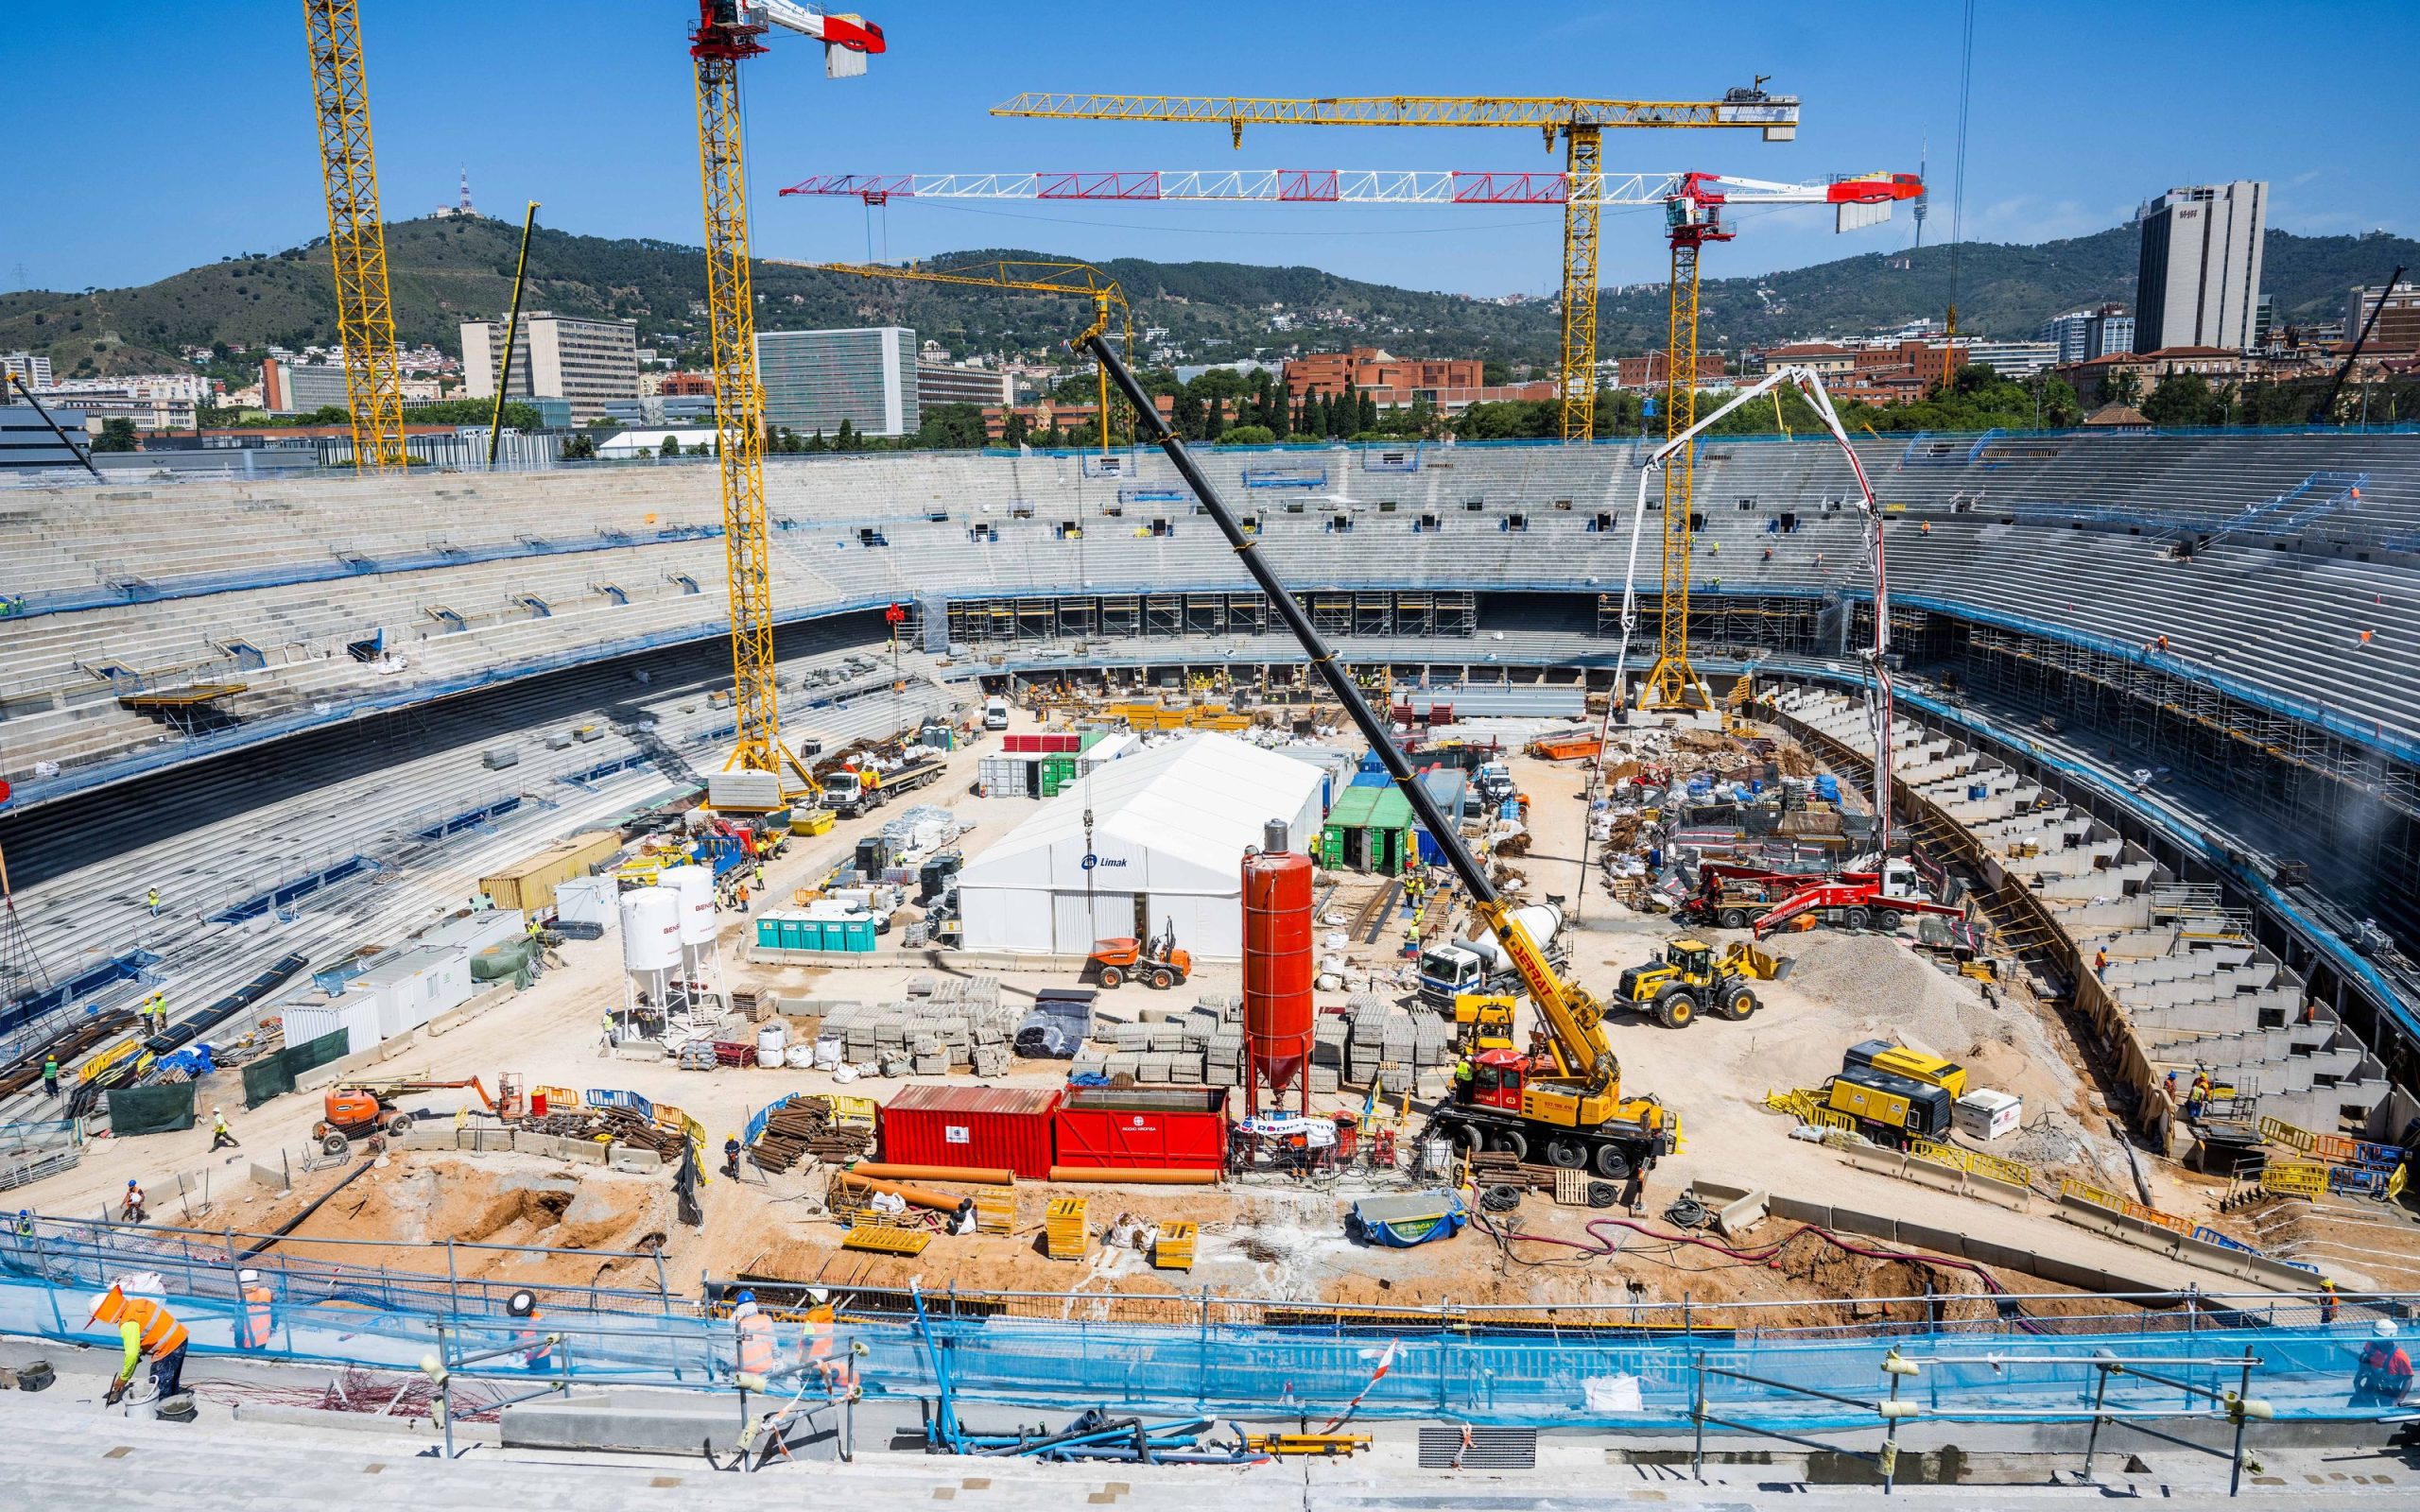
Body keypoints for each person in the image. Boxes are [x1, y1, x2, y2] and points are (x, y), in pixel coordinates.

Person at [90, 1283, 187, 1404]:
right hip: (180, 1336)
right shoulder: (138, 1303)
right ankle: (174, 1402)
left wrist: (123, 1378)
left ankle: (163, 1412)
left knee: (158, 1384)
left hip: (168, 1347)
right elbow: (150, 1324)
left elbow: (131, 1354)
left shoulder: (128, 1323)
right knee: (171, 1379)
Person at [2355, 1319, 2413, 1405]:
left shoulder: (2400, 1357)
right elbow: (2364, 1362)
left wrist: (2399, 1399)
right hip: (2370, 1388)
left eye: (2378, 1336)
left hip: (2389, 1394)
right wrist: (2357, 1380)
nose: (2375, 1339)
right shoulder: (2370, 1346)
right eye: (2374, 1335)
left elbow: (2408, 1380)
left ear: (2389, 1339)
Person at [732, 1289, 777, 1387]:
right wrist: (778, 1360)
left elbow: (730, 1351)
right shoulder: (766, 1320)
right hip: (764, 1370)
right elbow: (774, 1344)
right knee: (761, 1393)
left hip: (742, 1372)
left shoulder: (737, 1326)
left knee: (743, 1395)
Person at [508, 1289, 553, 1373]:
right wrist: (511, 1355)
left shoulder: (538, 1319)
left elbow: (545, 1341)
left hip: (540, 1357)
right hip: (523, 1355)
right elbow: (512, 1337)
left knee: (541, 1380)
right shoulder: (514, 1318)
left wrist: (532, 1354)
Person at [237, 1268, 275, 1351]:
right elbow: (274, 1314)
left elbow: (239, 1327)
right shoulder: (267, 1292)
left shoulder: (242, 1300)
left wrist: (238, 1346)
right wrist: (273, 1327)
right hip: (263, 1338)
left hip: (247, 1343)